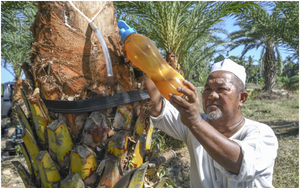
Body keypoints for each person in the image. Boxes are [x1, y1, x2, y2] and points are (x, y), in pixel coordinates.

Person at [125, 53, 278, 188]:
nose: (212, 95)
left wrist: (195, 122)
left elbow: (239, 164)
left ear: (242, 98)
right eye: (207, 89)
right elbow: (157, 106)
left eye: (221, 89)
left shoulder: (262, 134)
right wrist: (141, 68)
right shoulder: (192, 123)